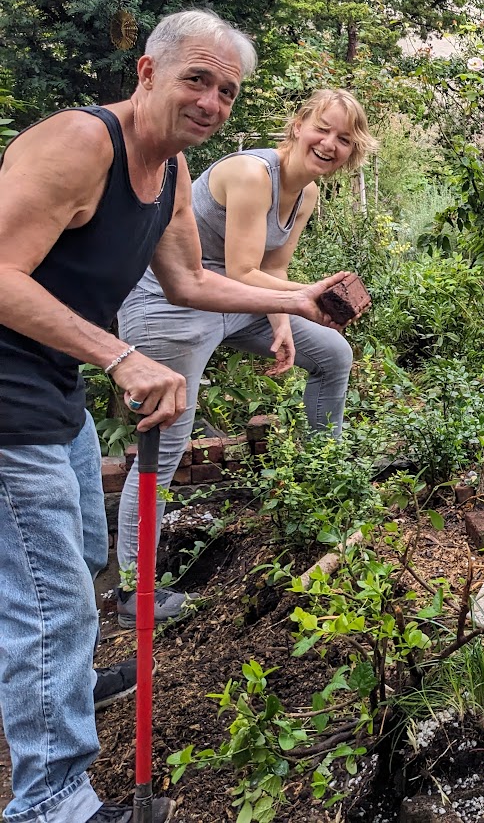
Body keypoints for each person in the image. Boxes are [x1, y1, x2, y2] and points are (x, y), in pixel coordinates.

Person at [0, 10, 352, 823]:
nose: (212, 100)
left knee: (85, 552)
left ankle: (64, 681)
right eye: (198, 78)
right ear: (148, 72)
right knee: (49, 598)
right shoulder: (81, 145)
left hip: (52, 384)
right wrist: (121, 355)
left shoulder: (170, 171)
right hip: (8, 396)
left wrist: (294, 298)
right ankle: (53, 801)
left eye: (228, 89)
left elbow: (193, 282)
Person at [113, 88, 376, 628]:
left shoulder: (305, 195)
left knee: (331, 354)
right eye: (322, 129)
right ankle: (132, 593)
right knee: (165, 444)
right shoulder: (255, 175)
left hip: (234, 302)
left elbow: (270, 271)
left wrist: (282, 324)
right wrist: (307, 296)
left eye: (344, 139)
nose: (329, 144)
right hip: (169, 301)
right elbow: (239, 271)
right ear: (298, 124)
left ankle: (322, 483)